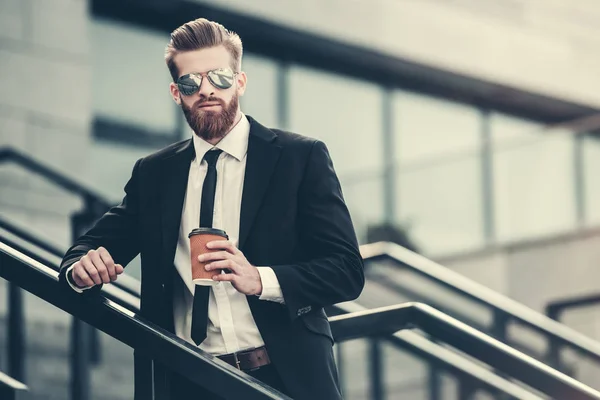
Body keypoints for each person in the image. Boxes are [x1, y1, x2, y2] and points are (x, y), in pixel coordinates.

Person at [59, 18, 364, 400]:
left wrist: (261, 278)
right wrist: (79, 269)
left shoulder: (300, 158)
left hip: (285, 377)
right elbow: (83, 251)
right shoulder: (155, 174)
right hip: (187, 381)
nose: (205, 90)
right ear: (175, 92)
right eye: (191, 83)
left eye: (218, 77)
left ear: (240, 81)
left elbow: (346, 271)